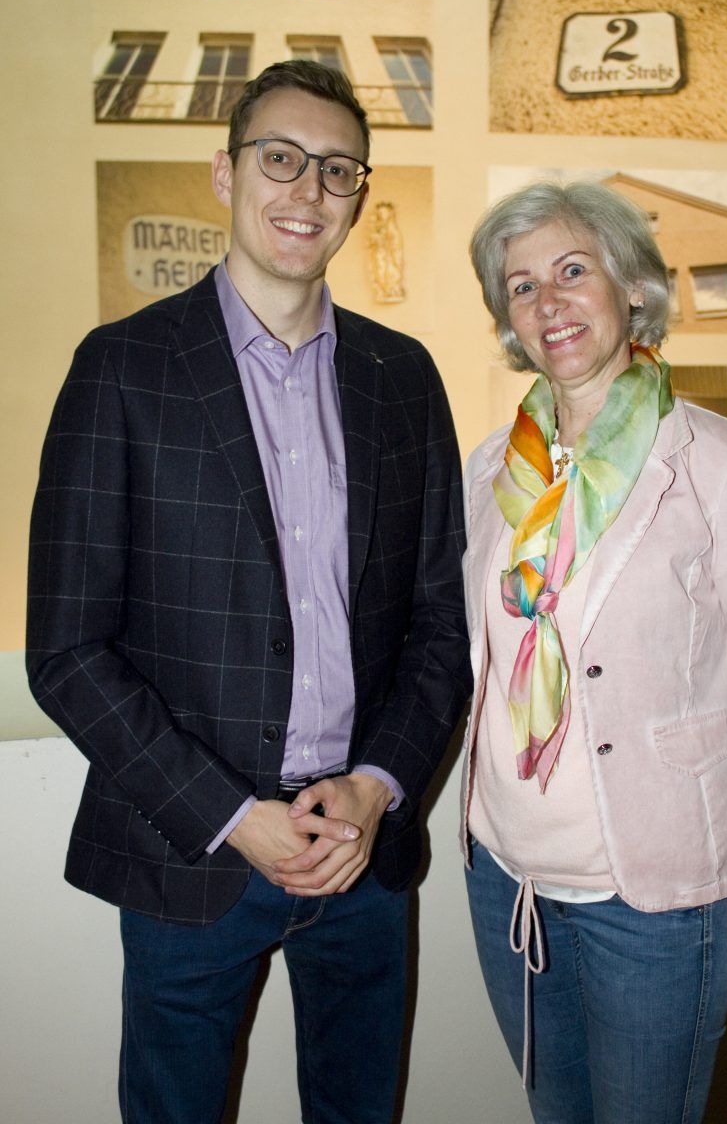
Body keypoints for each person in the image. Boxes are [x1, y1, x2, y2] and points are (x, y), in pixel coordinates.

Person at [27, 60, 471, 1124]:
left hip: (363, 855)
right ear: (223, 174)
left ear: (360, 195)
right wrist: (235, 816)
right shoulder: (122, 367)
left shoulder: (402, 377)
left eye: (335, 170)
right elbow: (67, 651)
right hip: (193, 859)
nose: (305, 190)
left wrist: (374, 788)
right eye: (280, 158)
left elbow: (440, 625)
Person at [461, 180, 727, 1124]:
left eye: (572, 270)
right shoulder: (491, 467)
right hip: (506, 880)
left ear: (631, 289)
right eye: (521, 286)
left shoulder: (715, 459)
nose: (548, 303)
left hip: (655, 900)